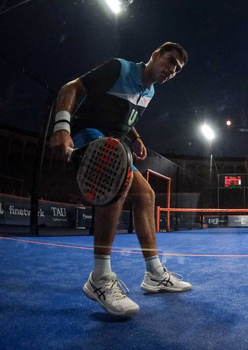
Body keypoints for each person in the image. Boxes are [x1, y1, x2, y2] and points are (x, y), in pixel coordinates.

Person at [49, 42, 191, 316]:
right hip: (86, 134)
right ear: (154, 55)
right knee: (118, 182)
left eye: (177, 69)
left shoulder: (149, 92)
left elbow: (126, 116)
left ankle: (154, 273)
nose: (171, 70)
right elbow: (71, 87)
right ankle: (100, 278)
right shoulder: (119, 67)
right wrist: (62, 127)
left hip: (114, 144)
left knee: (146, 196)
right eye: (170, 61)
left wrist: (136, 138)